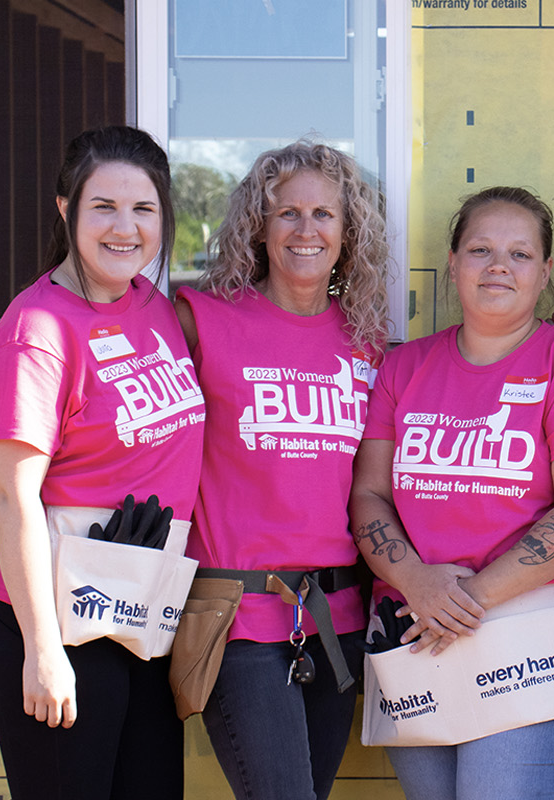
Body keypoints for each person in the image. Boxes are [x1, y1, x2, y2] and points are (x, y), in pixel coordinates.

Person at [348, 186, 554, 800]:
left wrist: (466, 599)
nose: (499, 265)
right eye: (480, 249)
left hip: (539, 646)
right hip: (415, 634)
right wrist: (418, 584)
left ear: (545, 270)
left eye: (519, 254)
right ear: (452, 262)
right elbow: (368, 494)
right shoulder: (405, 368)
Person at [0, 126, 204, 799]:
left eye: (144, 209)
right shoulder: (36, 333)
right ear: (67, 209)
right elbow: (14, 500)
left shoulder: (152, 307)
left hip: (134, 608)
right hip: (52, 619)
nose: (125, 228)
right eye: (104, 207)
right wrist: (42, 650)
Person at [175, 142, 391, 800]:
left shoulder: (370, 344)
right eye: (287, 213)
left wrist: (551, 337)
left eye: (325, 214)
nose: (307, 230)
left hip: (336, 622)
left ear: (348, 232)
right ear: (256, 226)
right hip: (237, 620)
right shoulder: (201, 321)